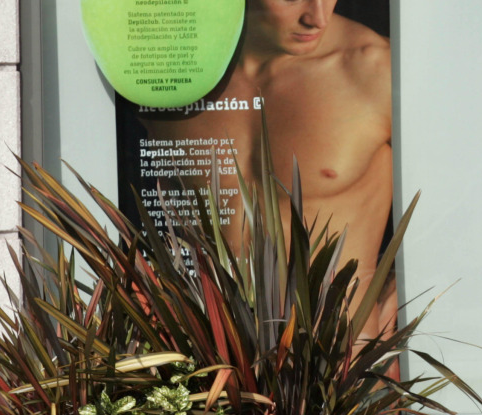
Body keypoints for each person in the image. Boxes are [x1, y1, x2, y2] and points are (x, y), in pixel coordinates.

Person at [140, 0, 395, 340]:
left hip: (336, 370)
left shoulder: (377, 70)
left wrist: (396, 307)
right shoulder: (168, 70)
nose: (317, 17)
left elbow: (464, 198)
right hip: (206, 362)